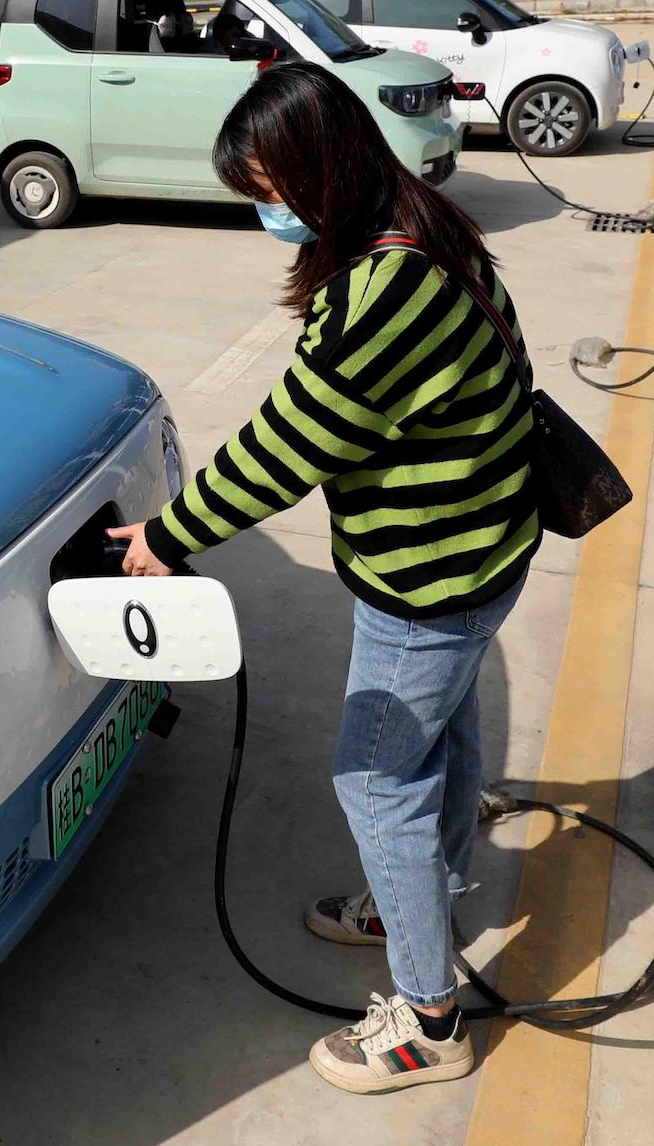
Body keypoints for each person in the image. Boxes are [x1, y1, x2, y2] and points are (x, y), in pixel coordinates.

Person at [109, 62, 538, 1095]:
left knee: (377, 779)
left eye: (271, 190)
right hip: (484, 552)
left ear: (323, 168)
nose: (268, 212)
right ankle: (416, 899)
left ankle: (428, 1020)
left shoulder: (384, 293)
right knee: (442, 739)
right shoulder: (427, 227)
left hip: (428, 581)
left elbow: (285, 444)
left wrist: (169, 533)